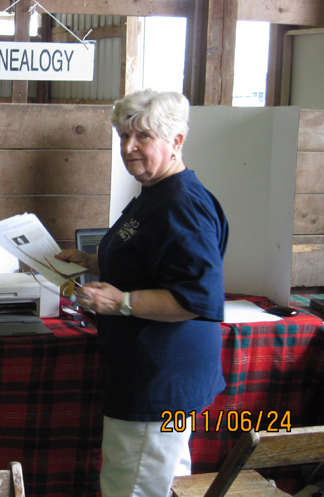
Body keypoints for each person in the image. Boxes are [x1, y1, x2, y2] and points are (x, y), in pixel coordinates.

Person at [56, 89, 229, 497]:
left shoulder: (181, 204)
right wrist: (90, 260)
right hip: (155, 375)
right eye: (123, 137)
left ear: (177, 142)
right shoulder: (155, 193)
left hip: (160, 379)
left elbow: (197, 298)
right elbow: (149, 262)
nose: (129, 148)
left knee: (133, 487)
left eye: (143, 137)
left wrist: (120, 302)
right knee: (163, 482)